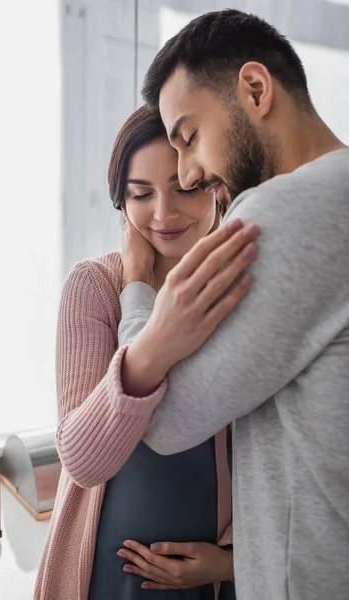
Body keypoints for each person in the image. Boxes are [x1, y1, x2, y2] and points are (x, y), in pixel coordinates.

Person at [113, 9, 349, 600]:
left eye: (189, 138)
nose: (189, 176)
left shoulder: (279, 212)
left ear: (255, 88)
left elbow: (163, 423)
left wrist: (141, 292)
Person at [34, 106, 260, 600]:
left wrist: (228, 563)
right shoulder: (94, 287)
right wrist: (135, 285)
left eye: (184, 188)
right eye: (141, 194)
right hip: (99, 579)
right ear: (121, 203)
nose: (163, 213)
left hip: (206, 583)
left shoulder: (243, 292)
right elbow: (83, 459)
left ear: (216, 187)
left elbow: (276, 463)